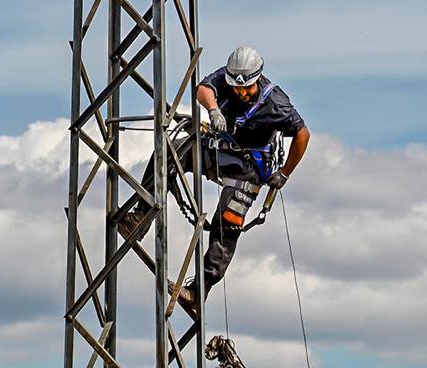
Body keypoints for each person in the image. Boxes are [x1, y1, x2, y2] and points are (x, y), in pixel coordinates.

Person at [121, 46, 311, 319]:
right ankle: (141, 216)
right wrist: (213, 110)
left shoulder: (276, 104)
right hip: (220, 150)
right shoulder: (229, 77)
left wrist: (285, 172)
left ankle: (199, 293)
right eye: (236, 87)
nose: (241, 93)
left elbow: (302, 135)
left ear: (258, 78)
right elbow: (203, 89)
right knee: (170, 152)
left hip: (249, 167)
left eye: (247, 89)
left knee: (227, 224)